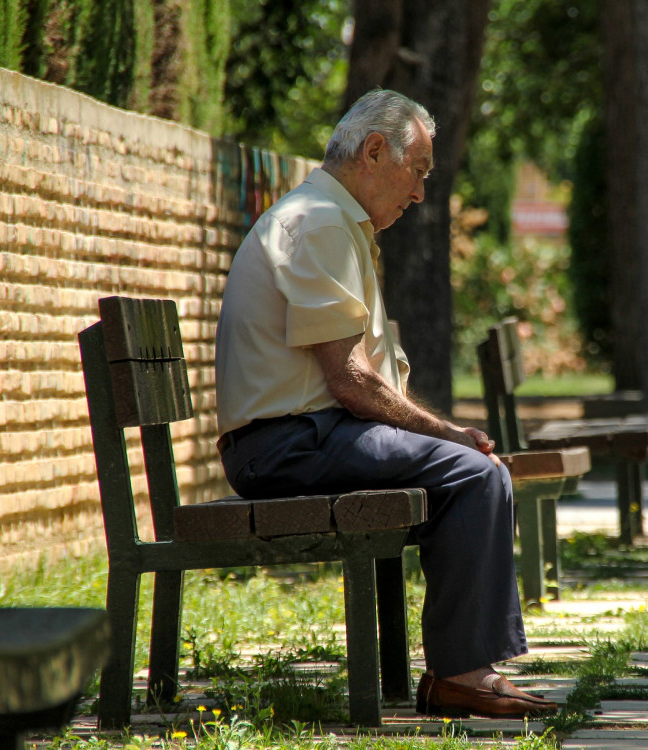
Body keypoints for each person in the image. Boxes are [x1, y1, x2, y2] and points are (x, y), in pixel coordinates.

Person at [213, 89, 555, 719]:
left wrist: (439, 435)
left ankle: (461, 668)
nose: (420, 193)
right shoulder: (319, 221)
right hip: (287, 444)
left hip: (305, 437)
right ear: (374, 151)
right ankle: (462, 674)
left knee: (473, 475)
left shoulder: (334, 221)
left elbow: (365, 381)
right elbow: (351, 381)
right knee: (474, 475)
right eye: (417, 171)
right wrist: (445, 432)